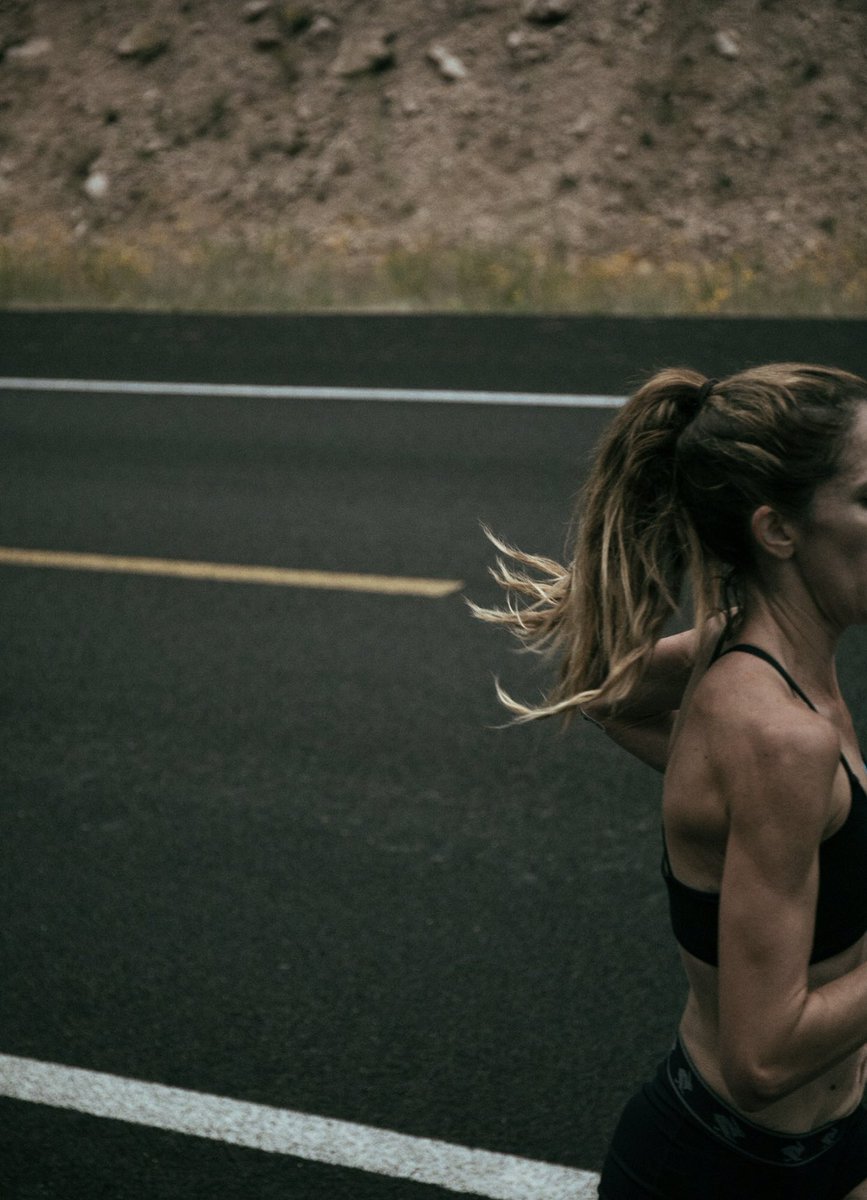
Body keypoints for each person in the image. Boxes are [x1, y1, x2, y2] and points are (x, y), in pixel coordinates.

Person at [471, 363, 867, 1199]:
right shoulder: (780, 738)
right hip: (726, 1169)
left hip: (838, 1135)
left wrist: (725, 804)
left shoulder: (740, 652)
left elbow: (606, 693)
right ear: (777, 530)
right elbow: (762, 1057)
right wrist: (754, 800)